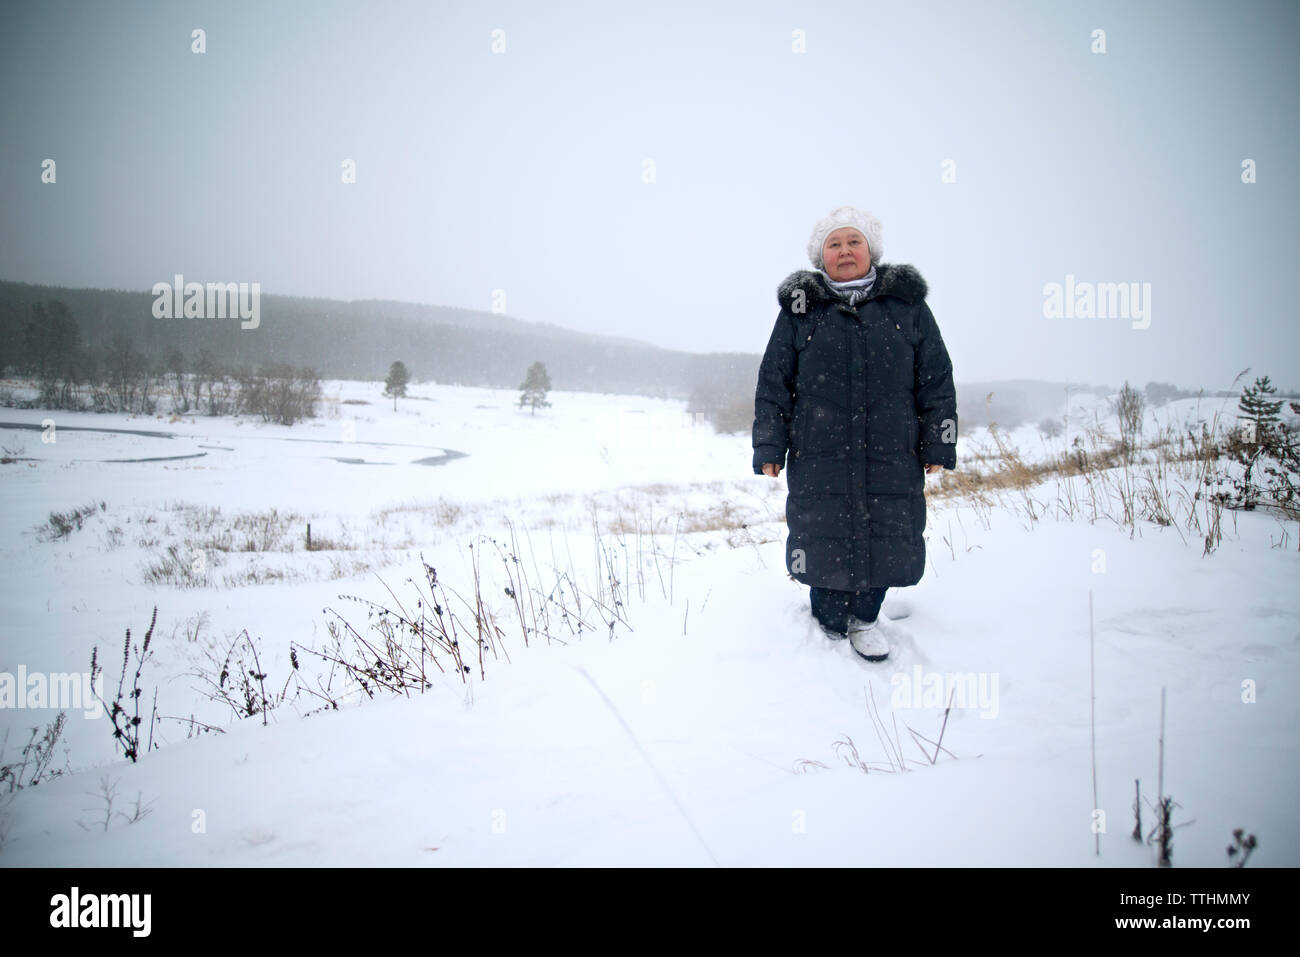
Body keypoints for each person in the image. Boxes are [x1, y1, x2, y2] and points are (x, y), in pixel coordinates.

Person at [751, 206, 957, 661]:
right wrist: (769, 444)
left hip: (892, 452)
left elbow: (936, 379)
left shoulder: (907, 307)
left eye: (854, 242)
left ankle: (865, 618)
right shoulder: (801, 310)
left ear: (872, 250)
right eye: (834, 243)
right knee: (822, 534)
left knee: (887, 533)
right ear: (819, 256)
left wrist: (939, 441)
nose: (845, 251)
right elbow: (774, 383)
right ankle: (827, 619)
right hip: (819, 453)